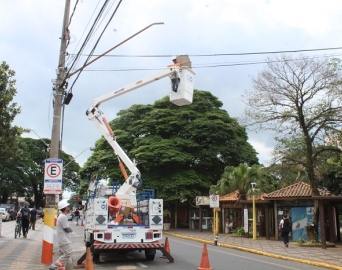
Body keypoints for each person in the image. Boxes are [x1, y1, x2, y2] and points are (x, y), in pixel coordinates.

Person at [49, 200, 73, 270]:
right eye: (68, 207)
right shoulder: (63, 217)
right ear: (65, 208)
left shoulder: (61, 216)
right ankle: (53, 267)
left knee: (63, 256)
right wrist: (71, 229)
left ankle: (59, 268)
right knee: (68, 253)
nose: (69, 208)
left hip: (61, 239)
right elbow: (66, 228)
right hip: (64, 240)